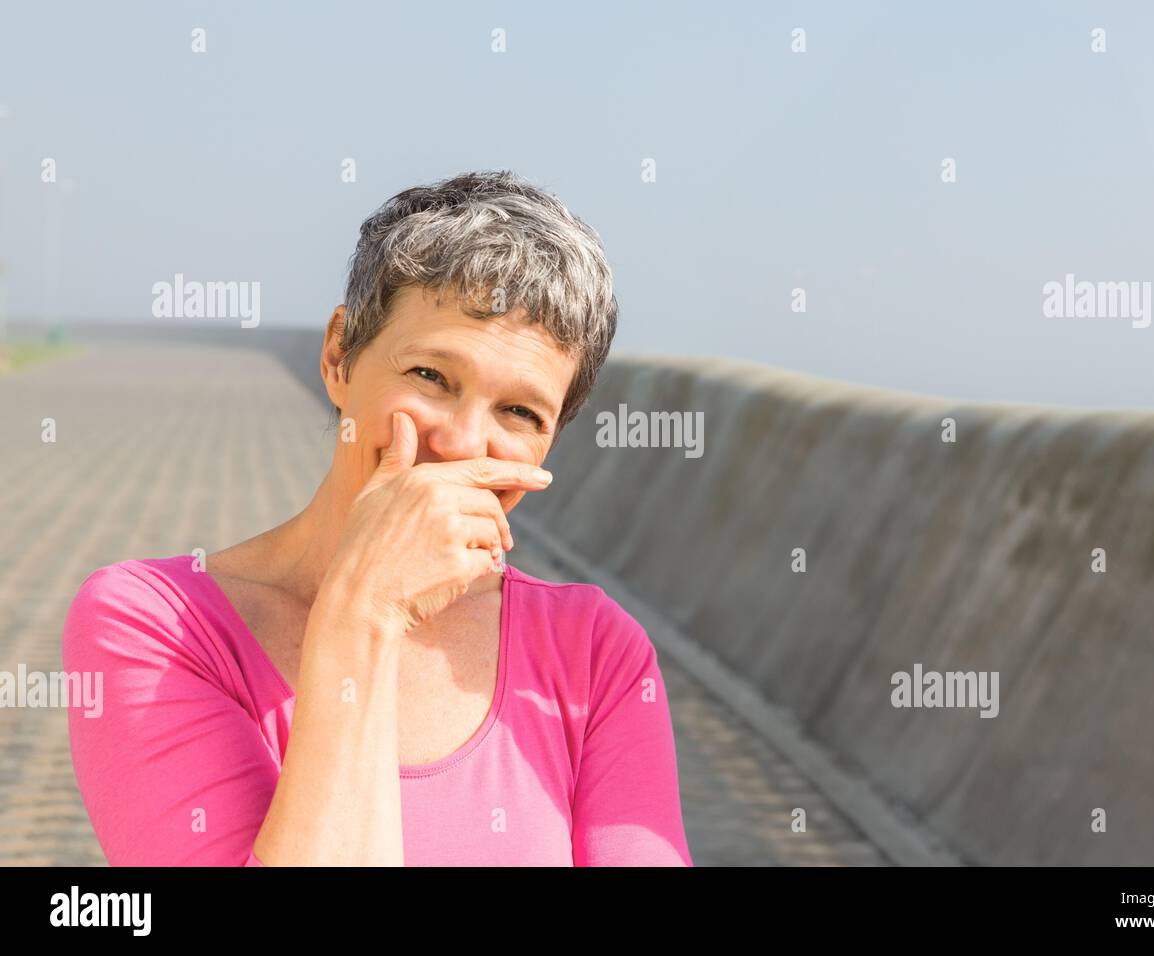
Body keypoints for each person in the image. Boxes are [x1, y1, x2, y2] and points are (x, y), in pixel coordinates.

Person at [61, 171, 693, 866]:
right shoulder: (153, 624)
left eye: (520, 412)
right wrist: (364, 608)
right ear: (338, 356)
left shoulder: (597, 654)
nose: (460, 440)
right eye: (429, 375)